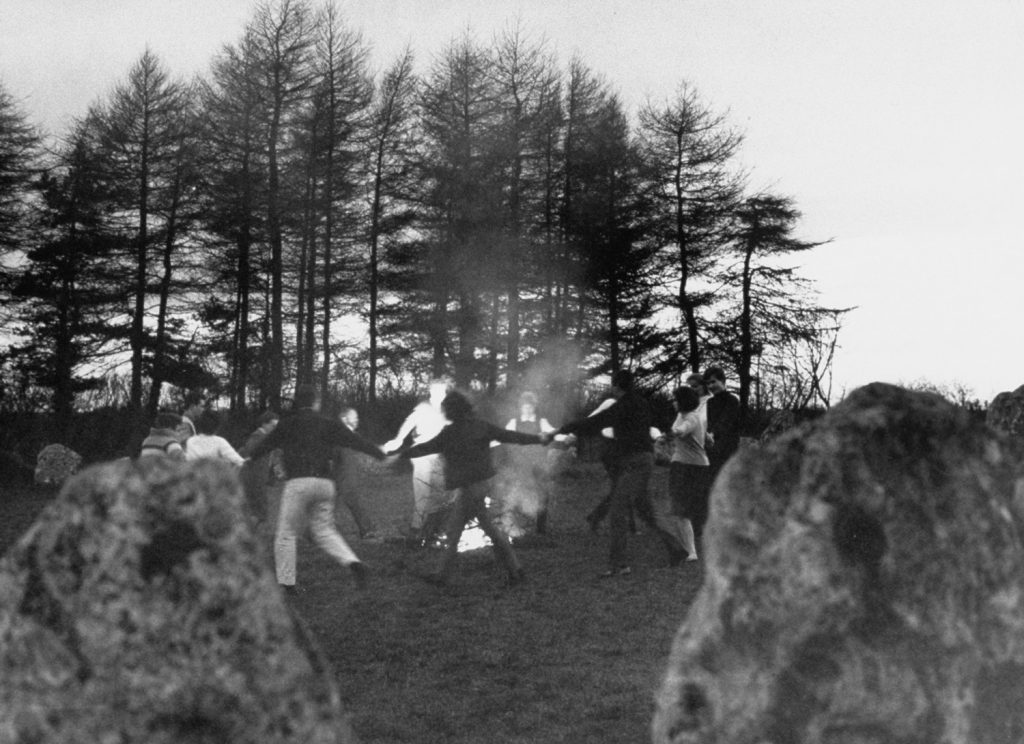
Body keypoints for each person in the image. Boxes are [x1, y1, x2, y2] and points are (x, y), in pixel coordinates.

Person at [548, 370, 689, 577]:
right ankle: (677, 550)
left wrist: (560, 430)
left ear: (616, 386)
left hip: (635, 463)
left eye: (612, 386)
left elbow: (594, 422)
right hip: (643, 461)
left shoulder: (622, 406)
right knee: (646, 510)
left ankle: (619, 565)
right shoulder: (641, 403)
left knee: (617, 510)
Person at [248, 384, 387, 592]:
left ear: (297, 403)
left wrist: (250, 457)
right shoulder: (328, 423)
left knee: (286, 534)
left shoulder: (287, 424)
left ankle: (287, 582)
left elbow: (265, 445)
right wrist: (379, 453)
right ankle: (353, 563)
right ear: (316, 403)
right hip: (325, 483)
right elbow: (354, 440)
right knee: (324, 530)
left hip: (298, 483)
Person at [398, 390, 545, 586]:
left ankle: (444, 575)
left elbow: (426, 447)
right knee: (476, 530)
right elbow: (510, 436)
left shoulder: (450, 433)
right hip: (482, 484)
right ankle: (515, 571)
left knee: (462, 531)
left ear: (452, 411)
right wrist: (538, 439)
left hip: (470, 488)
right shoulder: (481, 427)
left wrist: (400, 454)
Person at [383, 377, 452, 547]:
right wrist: (399, 439)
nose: (439, 394)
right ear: (431, 392)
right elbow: (409, 422)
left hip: (439, 458)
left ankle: (436, 530)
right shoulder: (423, 408)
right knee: (423, 493)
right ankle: (416, 531)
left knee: (444, 493)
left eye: (442, 391)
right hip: (422, 456)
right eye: (436, 390)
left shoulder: (447, 411)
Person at [502, 391, 558, 535]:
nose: (527, 409)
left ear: (534, 407)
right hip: (520, 465)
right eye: (525, 407)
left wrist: (567, 435)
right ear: (520, 407)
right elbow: (502, 436)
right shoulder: (514, 422)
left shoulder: (541, 422)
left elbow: (553, 433)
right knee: (515, 494)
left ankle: (540, 528)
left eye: (530, 407)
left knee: (543, 494)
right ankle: (513, 527)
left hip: (539, 465)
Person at [669, 386, 708, 560]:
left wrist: (672, 433)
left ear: (683, 401)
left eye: (675, 399)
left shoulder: (691, 417)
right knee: (679, 510)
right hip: (681, 464)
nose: (673, 402)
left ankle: (691, 552)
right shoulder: (681, 414)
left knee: (681, 511)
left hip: (691, 467)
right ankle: (687, 549)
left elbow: (683, 429)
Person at [332, 406, 382, 542]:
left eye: (357, 417)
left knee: (330, 506)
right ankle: (368, 531)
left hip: (348, 477)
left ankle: (312, 532)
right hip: (342, 477)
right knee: (353, 503)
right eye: (353, 417)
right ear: (344, 418)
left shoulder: (353, 436)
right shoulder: (339, 436)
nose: (357, 420)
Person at [238, 410, 282, 525]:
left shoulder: (264, 438)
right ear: (264, 424)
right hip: (255, 477)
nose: (275, 429)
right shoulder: (258, 437)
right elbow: (249, 453)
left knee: (258, 510)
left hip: (259, 476)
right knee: (258, 510)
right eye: (273, 426)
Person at [703, 366, 741, 482]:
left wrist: (713, 434)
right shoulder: (709, 402)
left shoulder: (732, 400)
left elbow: (725, 421)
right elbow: (706, 422)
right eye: (708, 384)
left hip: (727, 450)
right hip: (710, 450)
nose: (710, 386)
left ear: (723, 381)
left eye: (713, 382)